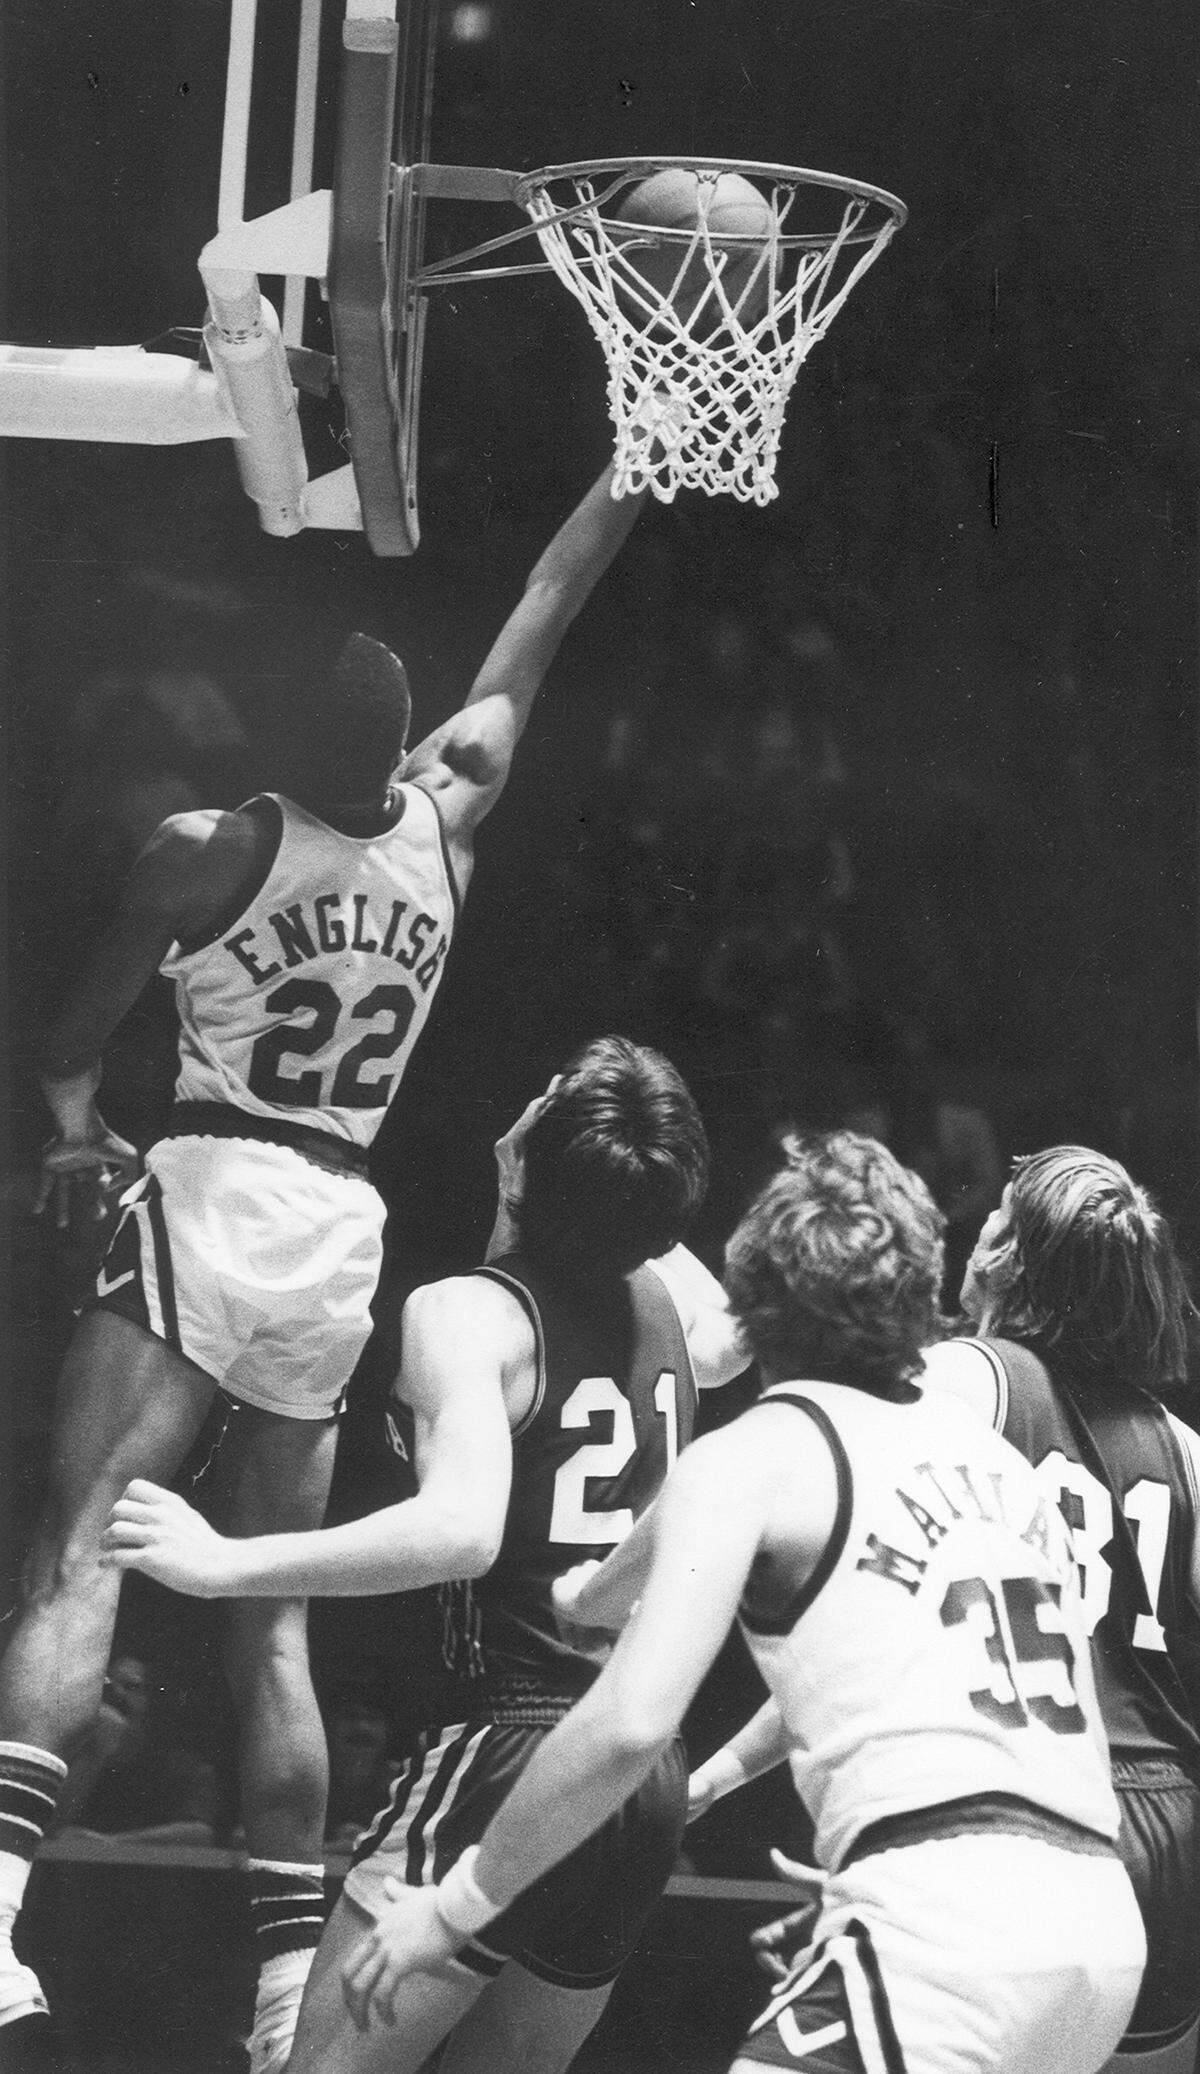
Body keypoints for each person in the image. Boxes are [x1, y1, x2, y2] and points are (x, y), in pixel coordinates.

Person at [0, 458, 649, 2061]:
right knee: (268, 1624)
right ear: (410, 743)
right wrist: (627, 473)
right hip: (343, 1224)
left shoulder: (208, 844)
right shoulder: (448, 827)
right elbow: (541, 613)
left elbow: (70, 1037)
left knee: (80, 1550)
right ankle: (287, 1989)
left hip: (217, 1172)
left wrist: (77, 1126)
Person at [335, 1132, 1147, 2074]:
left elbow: (632, 1722)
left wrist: (459, 1902)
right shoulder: (996, 1464)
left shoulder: (759, 1450)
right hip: (1093, 1915)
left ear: (751, 1314)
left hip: (951, 1918)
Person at [103, 1036, 748, 2074]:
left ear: (527, 1161)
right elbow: (734, 1335)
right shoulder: (682, 1307)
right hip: (638, 1769)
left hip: (513, 1741)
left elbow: (462, 1528)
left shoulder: (467, 1312)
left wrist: (227, 1560)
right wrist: (644, 1187)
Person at [920, 1146, 1200, 2074]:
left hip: (1029, 1796)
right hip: (1165, 1818)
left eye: (997, 1218)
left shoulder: (965, 1378)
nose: (978, 1232)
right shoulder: (1185, 1450)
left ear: (1016, 1259)